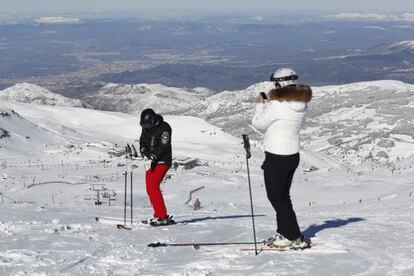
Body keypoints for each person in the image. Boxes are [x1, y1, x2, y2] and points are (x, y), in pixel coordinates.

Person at [252, 68, 312, 248]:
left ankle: (293, 236)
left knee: (277, 198)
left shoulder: (277, 106)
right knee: (283, 196)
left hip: (276, 156)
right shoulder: (301, 103)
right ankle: (285, 232)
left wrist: (261, 105)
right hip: (292, 155)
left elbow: (258, 124)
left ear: (279, 84)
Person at [139, 108, 175, 226]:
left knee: (153, 186)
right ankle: (158, 214)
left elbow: (164, 146)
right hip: (151, 161)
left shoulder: (164, 128)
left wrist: (153, 157)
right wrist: (143, 150)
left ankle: (161, 215)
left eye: (148, 125)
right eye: (144, 125)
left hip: (162, 161)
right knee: (150, 188)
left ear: (153, 121)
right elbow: (143, 140)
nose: (146, 128)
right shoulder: (146, 127)